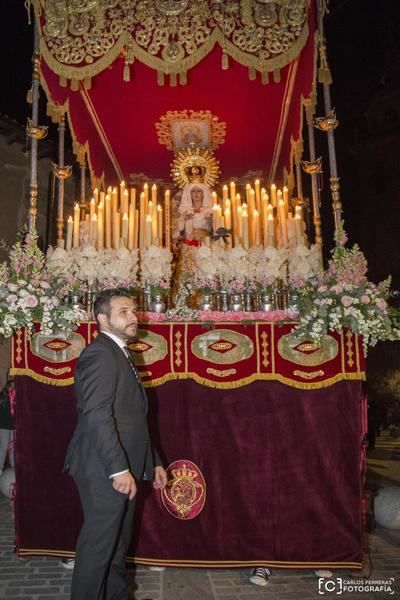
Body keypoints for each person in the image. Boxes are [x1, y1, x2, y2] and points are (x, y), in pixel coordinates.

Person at [64, 288, 167, 600]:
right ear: (102, 319)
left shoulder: (121, 352)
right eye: (124, 311)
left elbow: (131, 418)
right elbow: (97, 415)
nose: (133, 316)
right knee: (98, 550)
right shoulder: (99, 355)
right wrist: (118, 469)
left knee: (116, 546)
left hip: (121, 467)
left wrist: (154, 461)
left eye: (133, 310)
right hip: (103, 468)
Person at [0, 374, 15, 475]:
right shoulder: (3, 396)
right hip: (3, 426)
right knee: (4, 447)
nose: (12, 388)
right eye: (11, 386)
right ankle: (0, 468)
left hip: (13, 426)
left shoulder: (16, 397)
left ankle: (13, 468)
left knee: (13, 449)